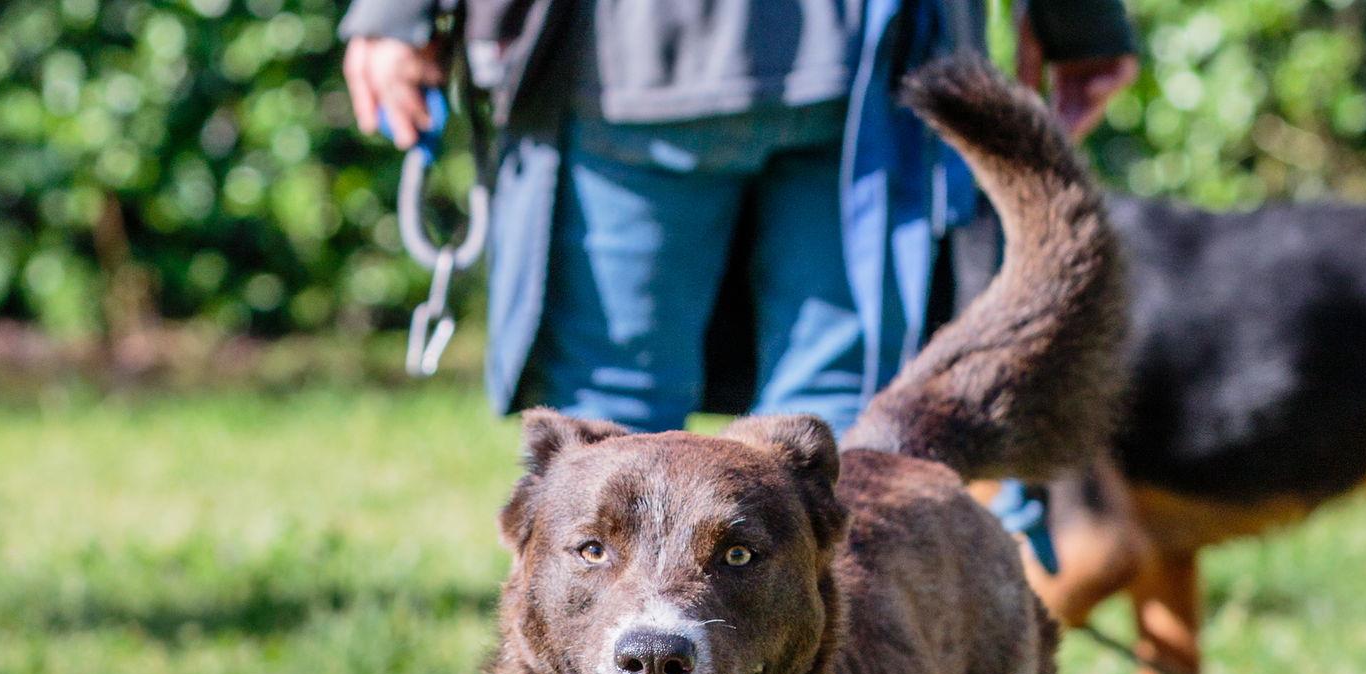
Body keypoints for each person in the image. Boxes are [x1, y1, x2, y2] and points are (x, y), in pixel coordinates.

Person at [341, 0, 1136, 434]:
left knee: (606, 425)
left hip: (635, 59)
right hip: (866, 63)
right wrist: (1082, 21)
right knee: (824, 428)